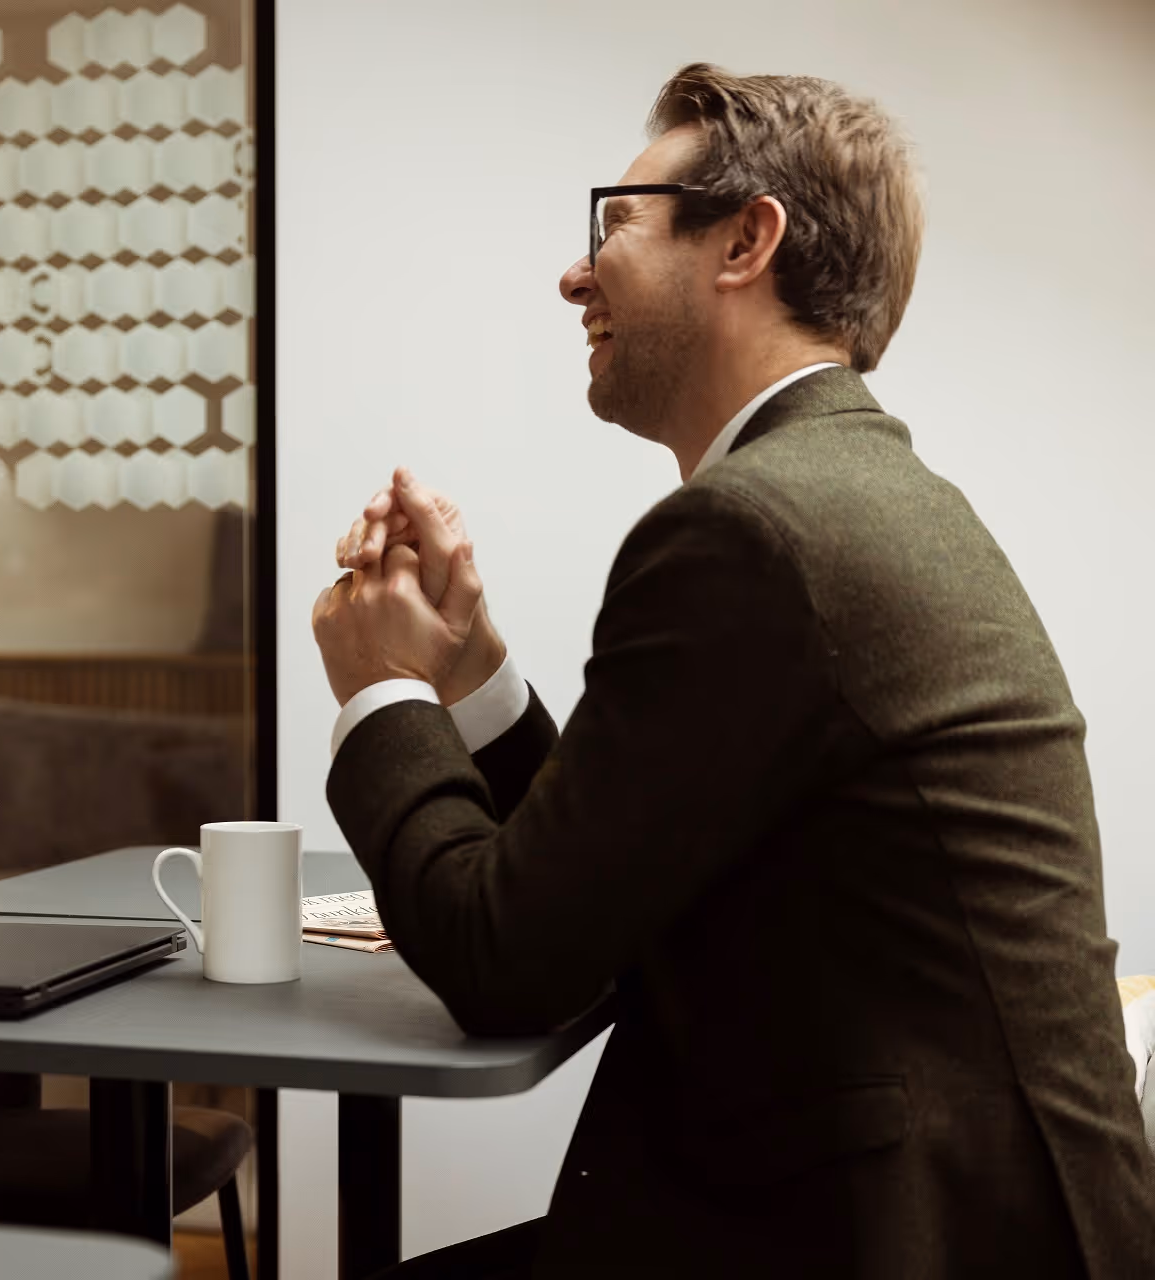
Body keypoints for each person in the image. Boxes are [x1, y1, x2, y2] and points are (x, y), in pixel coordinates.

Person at [312, 64, 1155, 1277]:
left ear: (745, 241)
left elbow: (507, 961)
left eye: (615, 222)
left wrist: (382, 692)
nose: (573, 271)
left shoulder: (752, 529)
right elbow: (598, 882)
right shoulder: (847, 489)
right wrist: (470, 670)